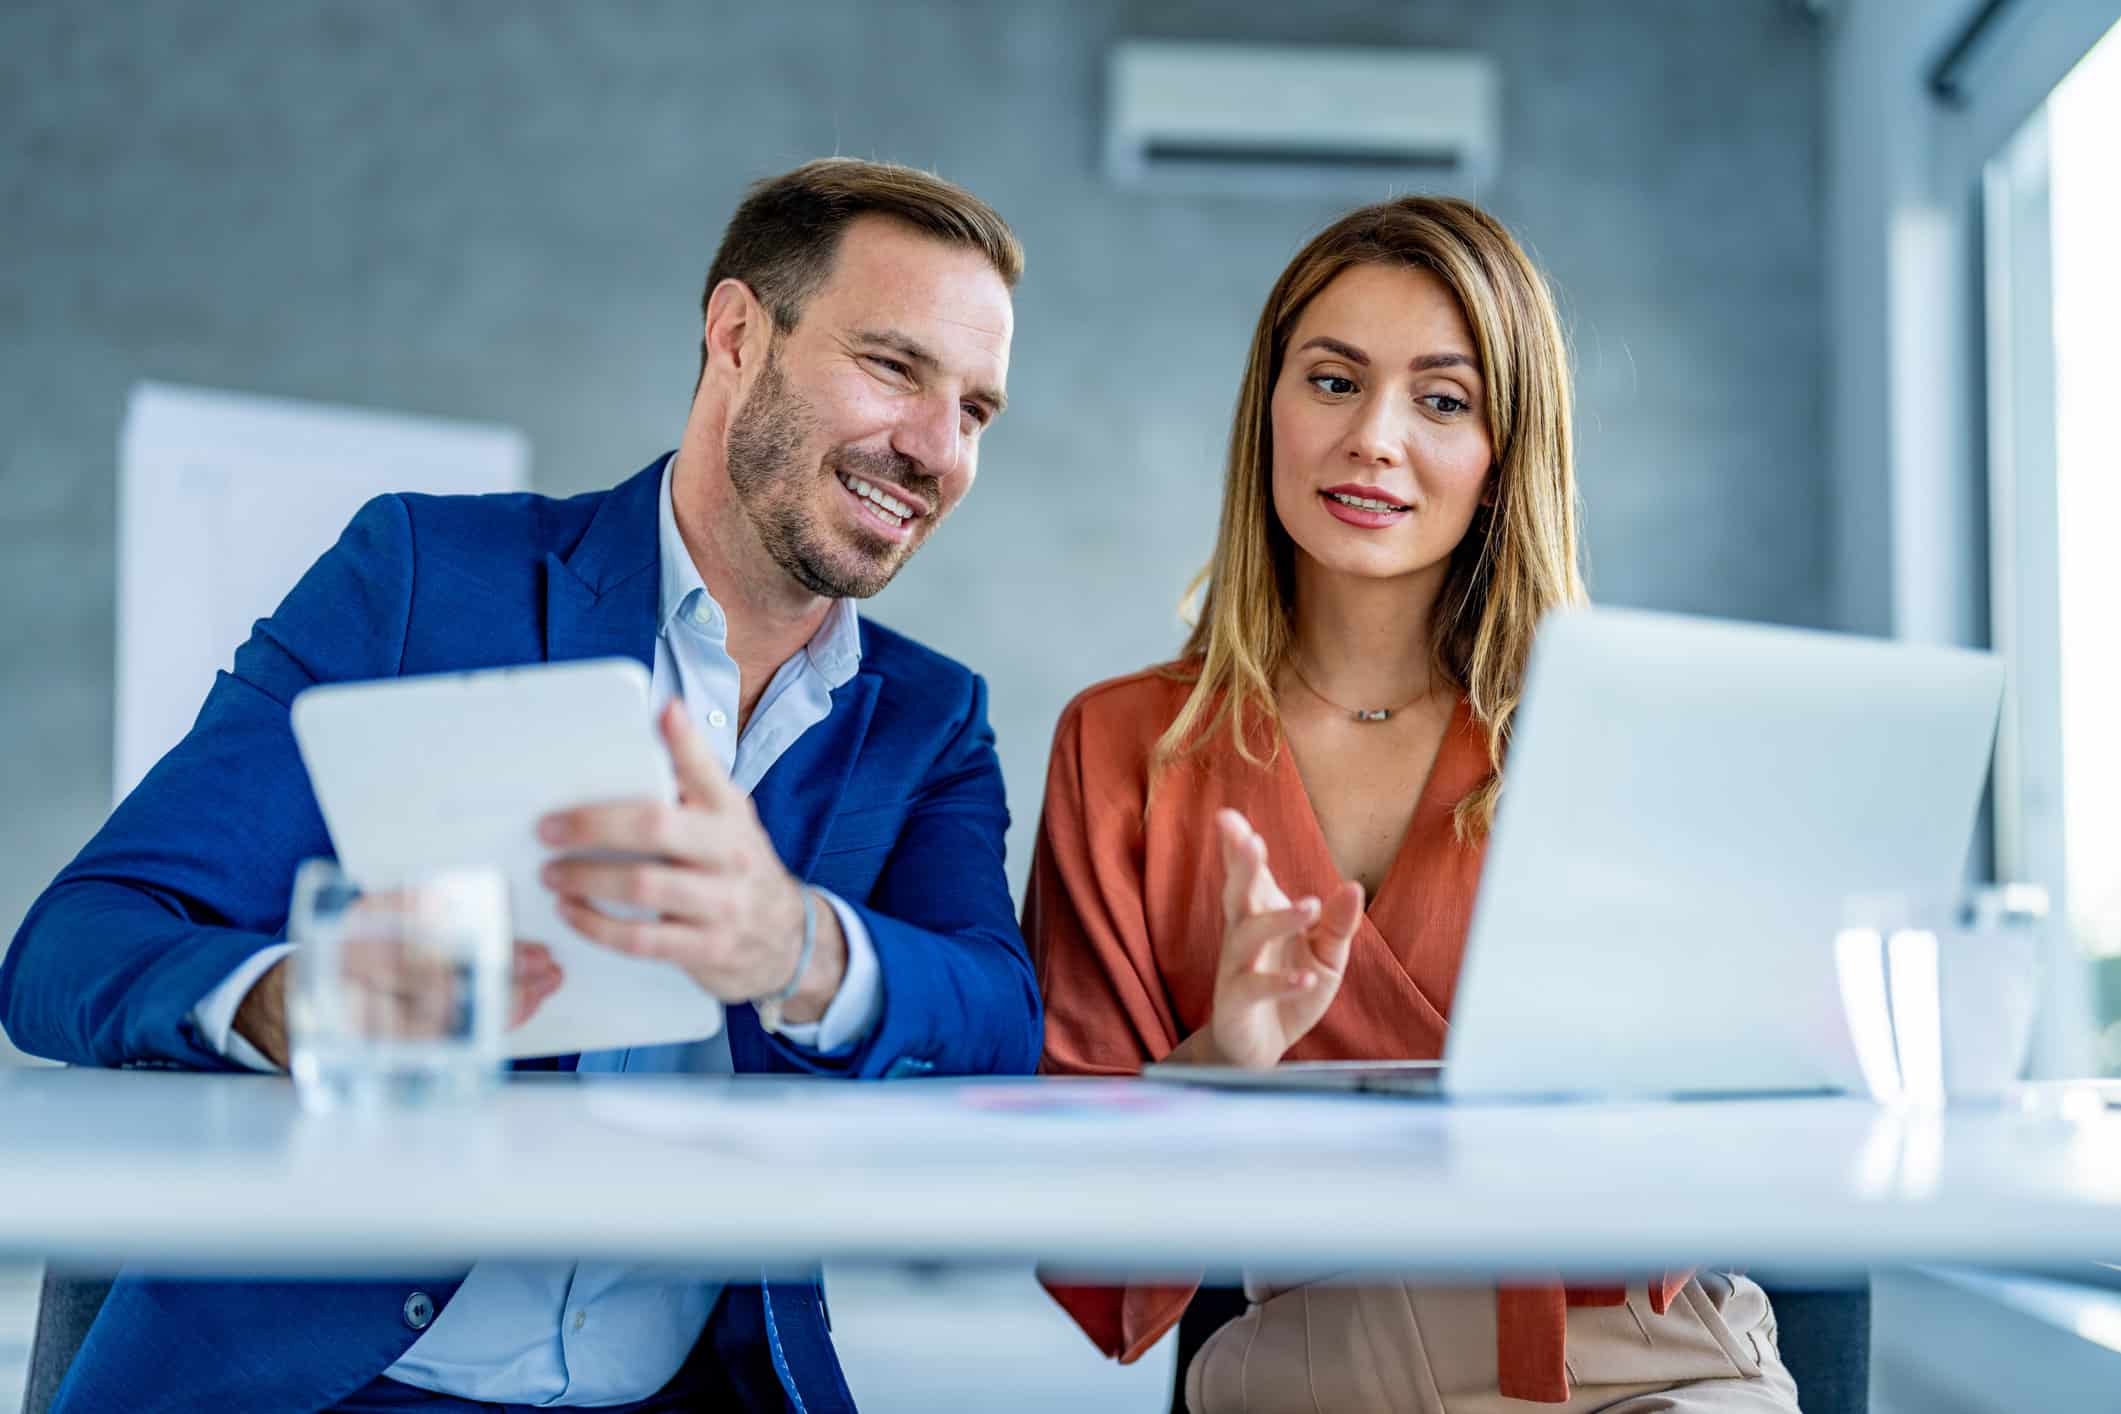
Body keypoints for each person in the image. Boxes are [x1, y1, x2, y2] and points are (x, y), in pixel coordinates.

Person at [0, 158, 1040, 1414]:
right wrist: (291, 1004)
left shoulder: (928, 720)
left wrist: (800, 948)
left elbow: (996, 1021)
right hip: (326, 1380)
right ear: (737, 336)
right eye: (893, 367)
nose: (936, 447)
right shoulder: (428, 576)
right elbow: (74, 943)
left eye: (976, 409)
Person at [1024, 196, 1802, 1413]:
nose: (1375, 438)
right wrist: (1223, 1057)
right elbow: (1077, 1238)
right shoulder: (1125, 747)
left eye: (1443, 400)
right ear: (1268, 414)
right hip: (1309, 1368)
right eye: (1334, 380)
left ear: (1504, 458)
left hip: (1647, 1373)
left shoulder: (1619, 739)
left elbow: (1750, 1147)